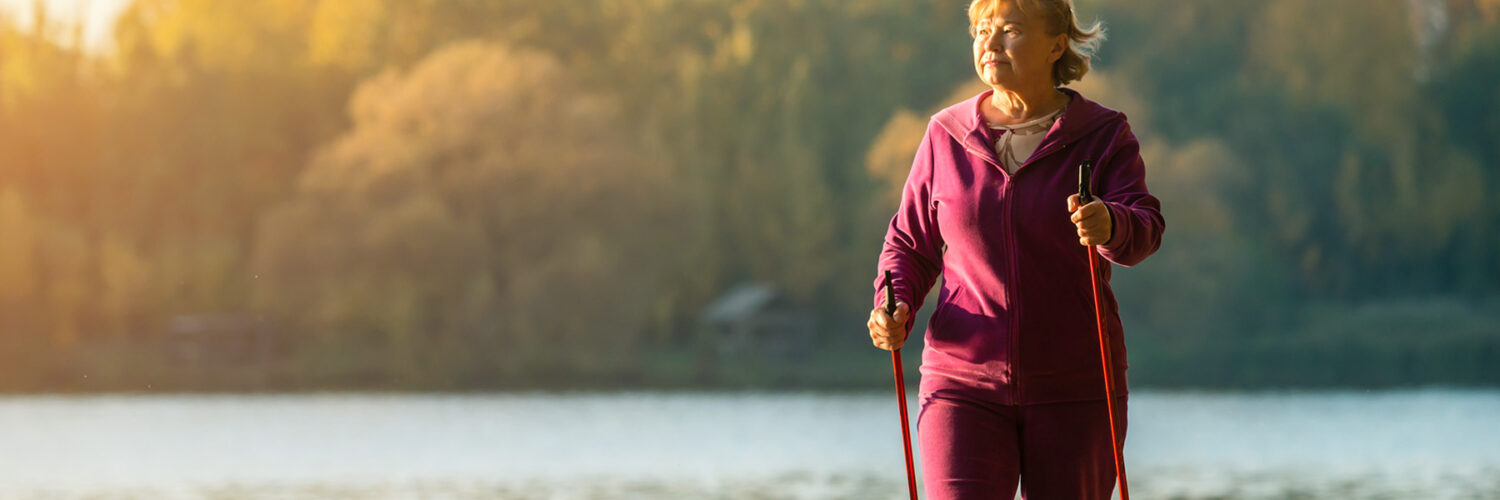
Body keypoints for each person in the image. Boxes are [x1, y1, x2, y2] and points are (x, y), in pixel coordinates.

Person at [866, 0, 1164, 498]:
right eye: (982, 28)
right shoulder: (946, 135)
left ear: (1056, 44)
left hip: (1076, 387)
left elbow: (1145, 227)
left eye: (1010, 29)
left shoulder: (1104, 134)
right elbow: (910, 244)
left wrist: (1110, 222)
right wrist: (889, 305)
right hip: (960, 384)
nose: (990, 40)